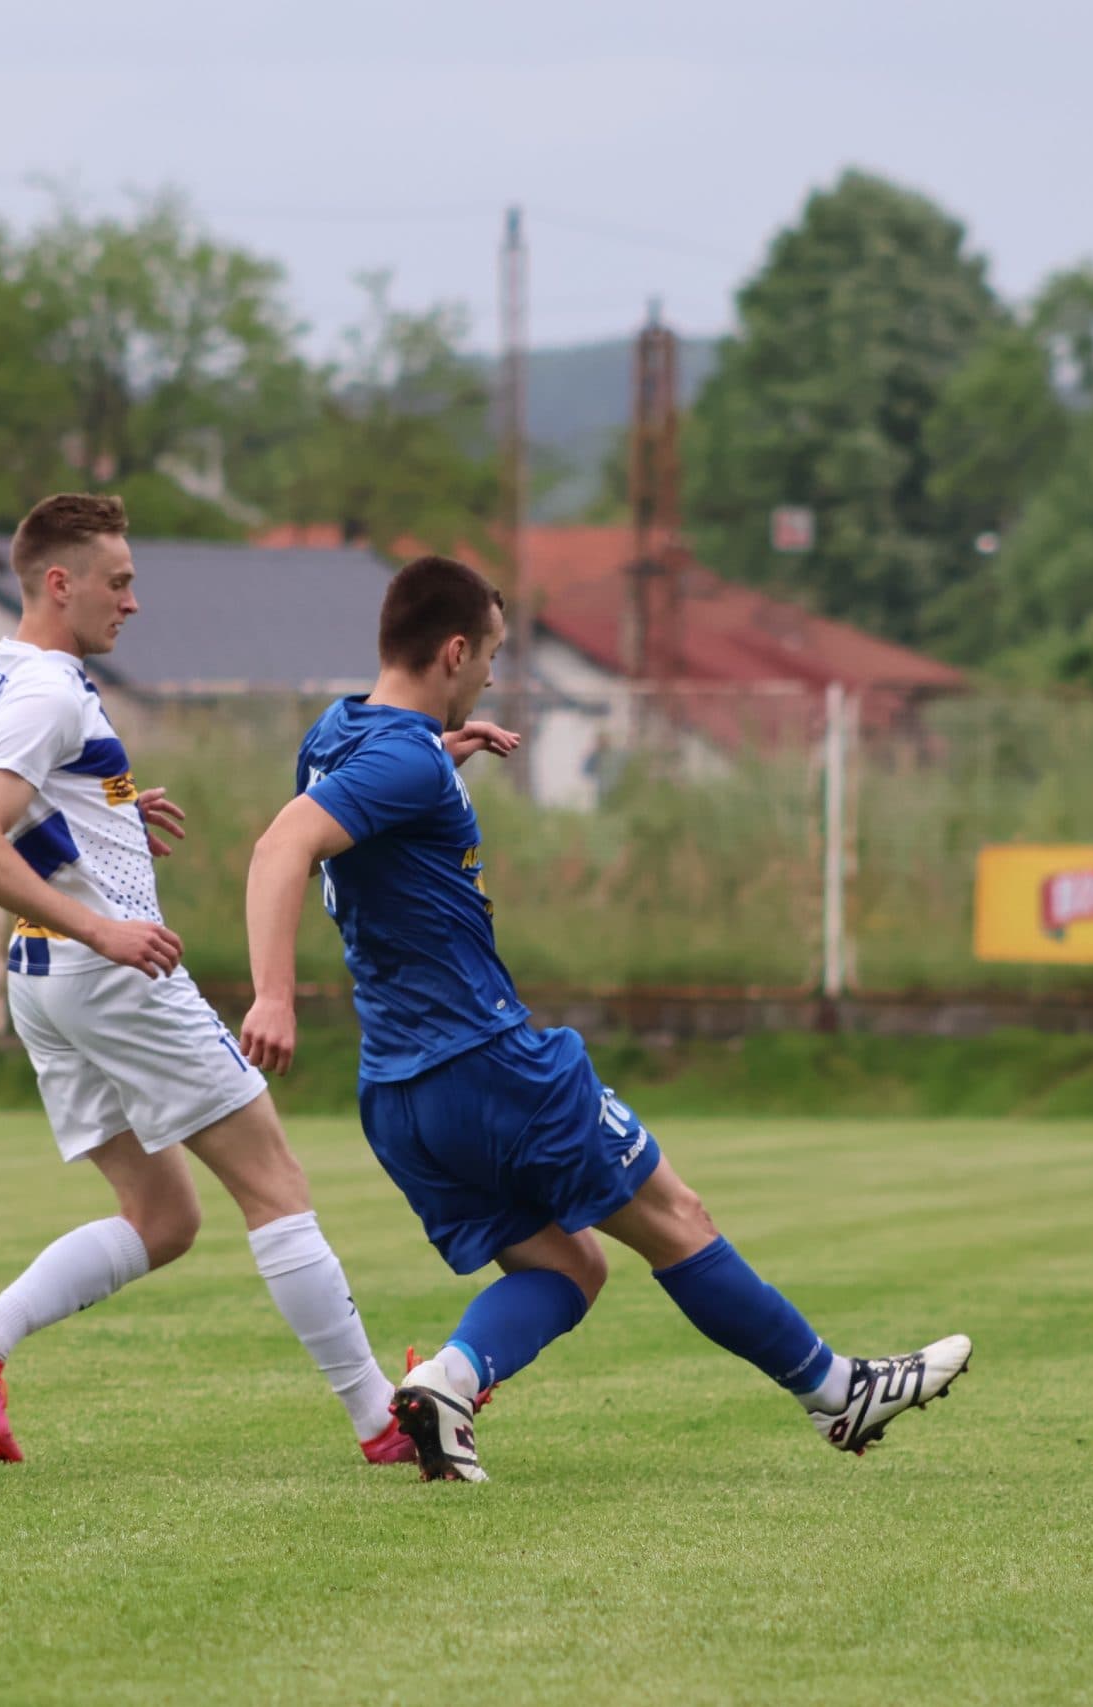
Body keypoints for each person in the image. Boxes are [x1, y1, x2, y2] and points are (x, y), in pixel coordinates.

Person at [238, 555, 969, 1482]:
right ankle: (836, 1390)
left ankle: (447, 1386)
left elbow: (346, 806)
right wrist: (271, 992)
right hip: (493, 1068)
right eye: (491, 656)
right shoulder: (402, 759)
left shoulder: (336, 735)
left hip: (398, 1096)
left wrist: (439, 757)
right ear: (454, 650)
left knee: (570, 1269)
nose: (494, 676)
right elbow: (282, 844)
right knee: (676, 1215)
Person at [0, 492, 411, 1466]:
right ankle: (380, 1421)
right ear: (60, 583)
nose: (133, 601)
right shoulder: (49, 691)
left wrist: (96, 821)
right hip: (104, 976)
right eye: (120, 580)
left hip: (43, 982)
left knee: (164, 1218)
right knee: (274, 1183)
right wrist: (103, 924)